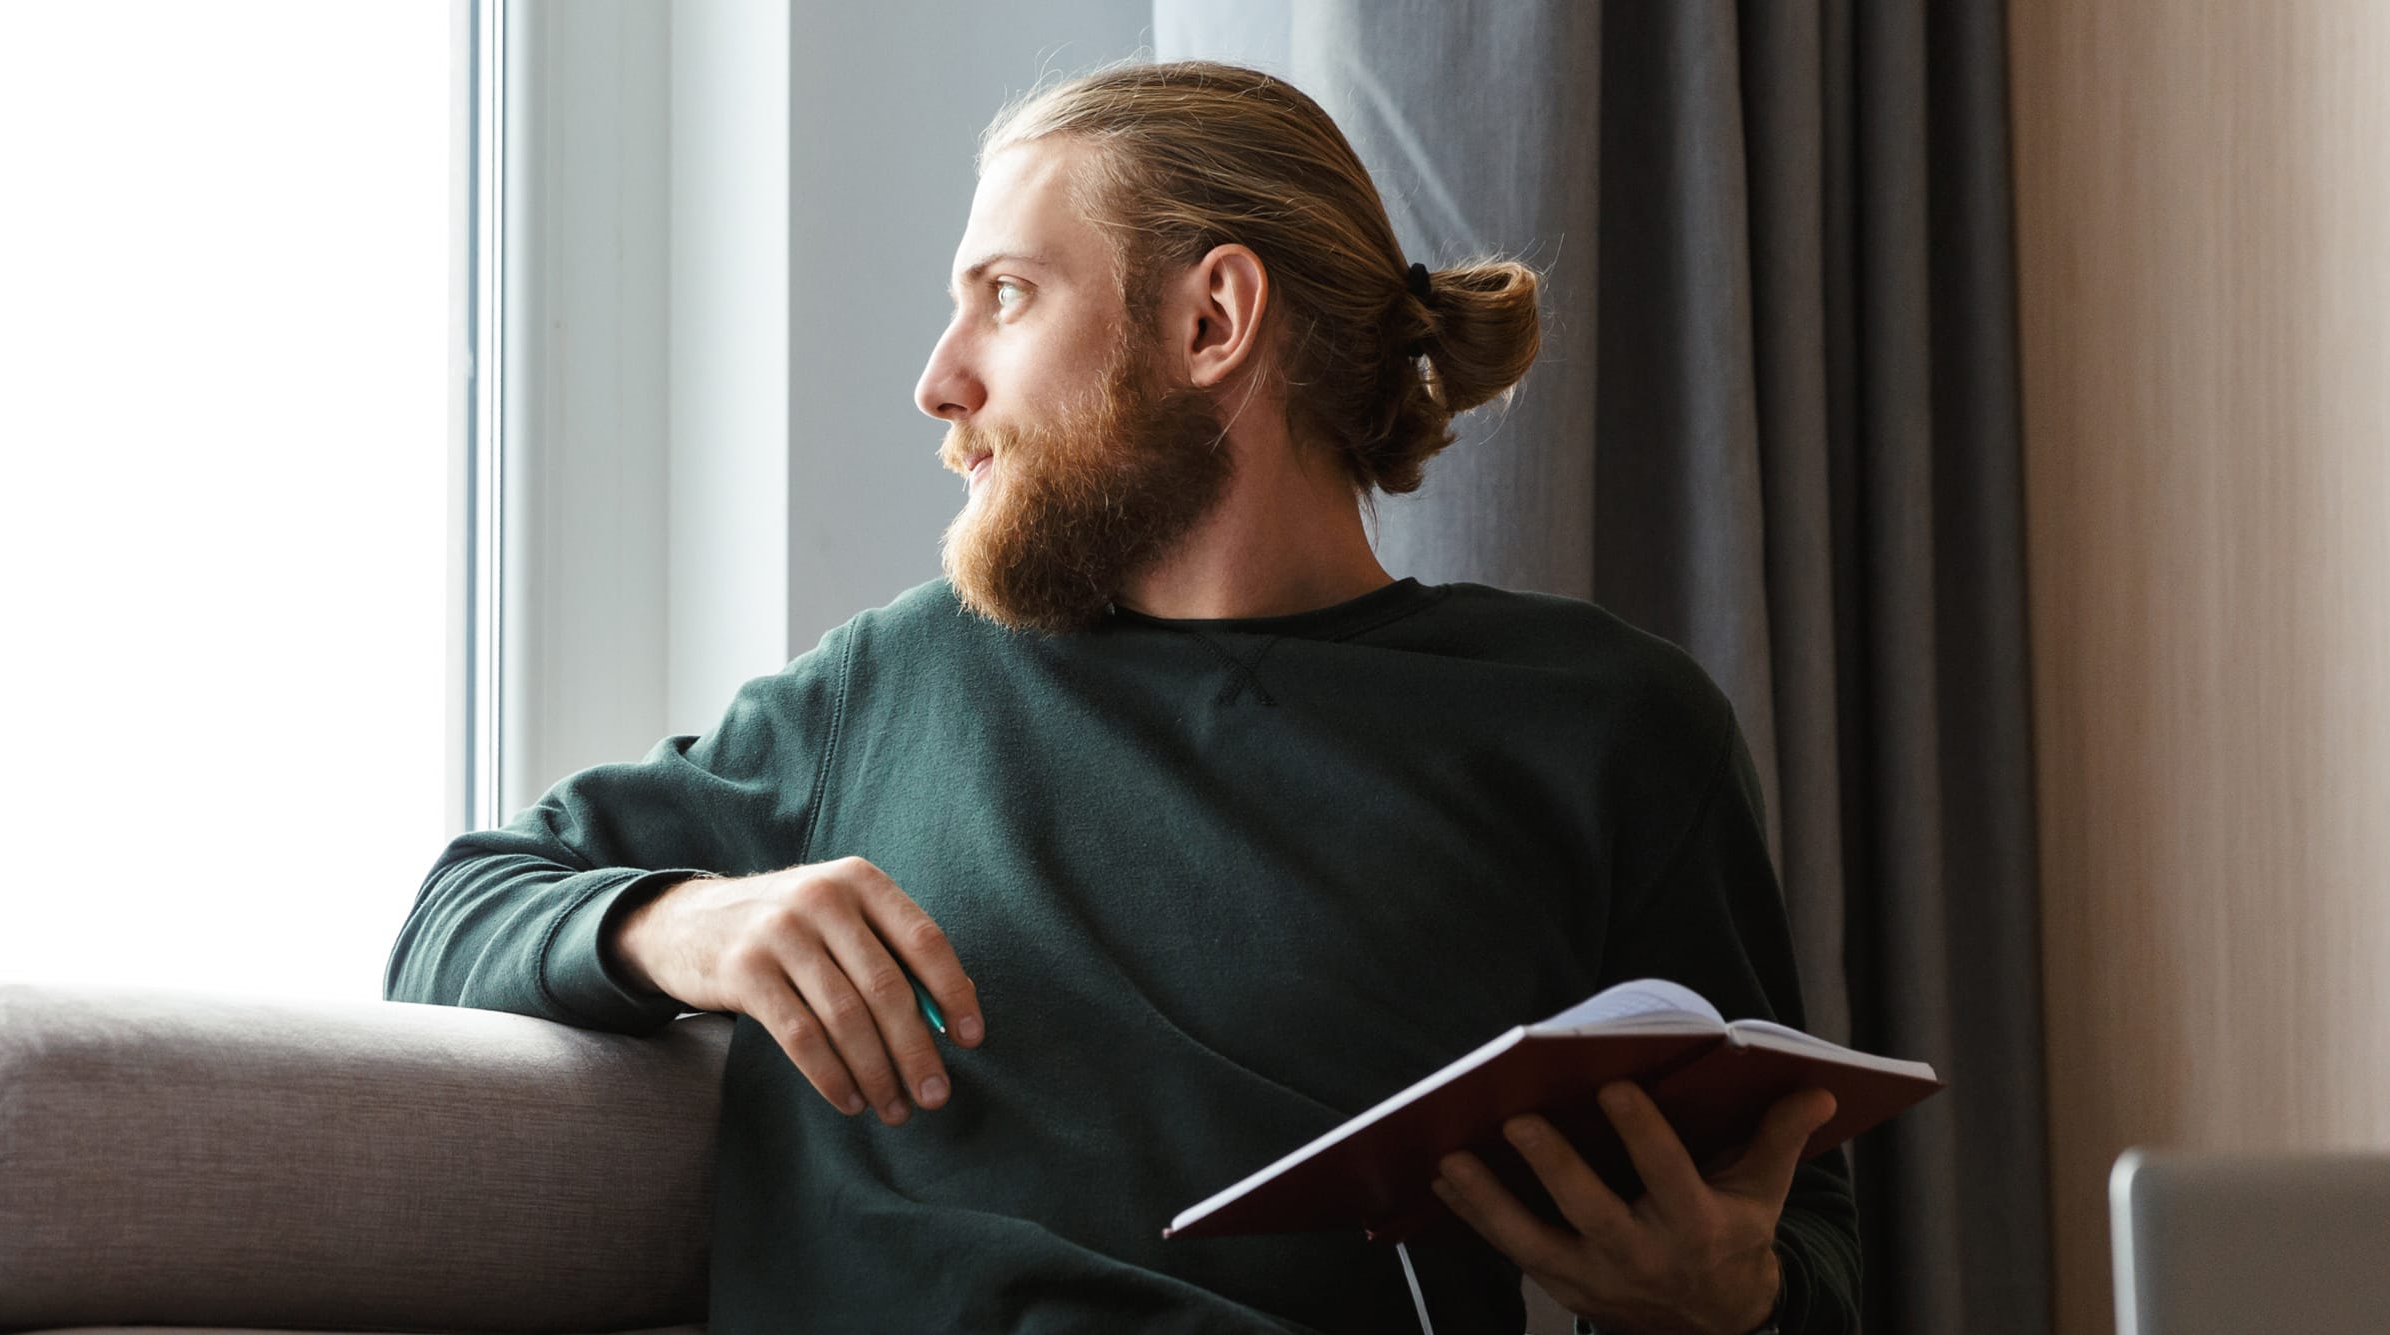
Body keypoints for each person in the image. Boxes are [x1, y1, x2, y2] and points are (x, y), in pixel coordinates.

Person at [384, 60, 1858, 1335]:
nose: (937, 380)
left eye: (1004, 298)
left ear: (1211, 321)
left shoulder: (1600, 725)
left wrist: (1731, 1305)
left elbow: (1816, 1241)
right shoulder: (895, 684)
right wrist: (682, 917)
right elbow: (453, 913)